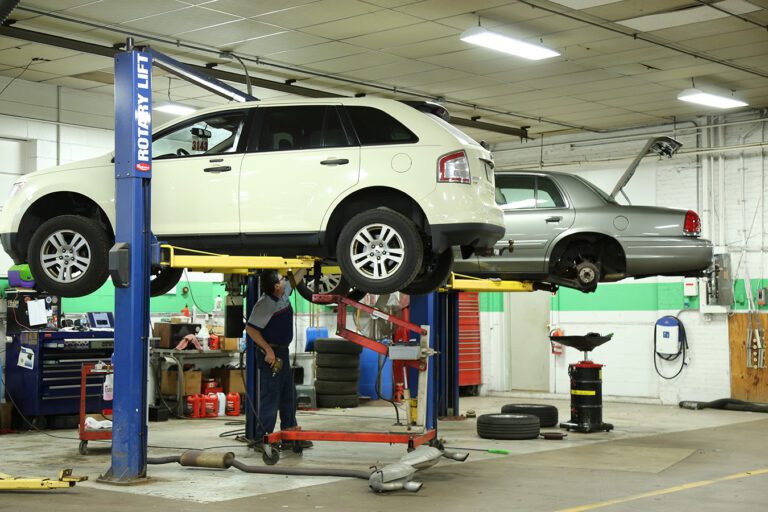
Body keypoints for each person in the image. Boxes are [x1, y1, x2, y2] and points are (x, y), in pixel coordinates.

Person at [245, 268, 311, 451]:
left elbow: (295, 280)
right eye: (282, 279)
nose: (285, 280)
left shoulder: (282, 295)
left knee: (288, 395)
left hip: (282, 353)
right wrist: (268, 350)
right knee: (271, 396)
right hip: (271, 355)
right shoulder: (265, 304)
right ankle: (261, 438)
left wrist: (305, 265)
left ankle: (290, 435)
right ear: (276, 286)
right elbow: (251, 329)